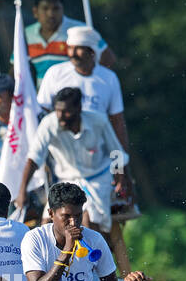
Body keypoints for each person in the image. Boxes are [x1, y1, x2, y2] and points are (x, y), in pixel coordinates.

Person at [18, 88, 126, 238]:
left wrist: (120, 179)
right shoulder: (49, 124)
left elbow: (116, 153)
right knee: (47, 225)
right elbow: (34, 159)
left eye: (66, 111)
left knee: (87, 220)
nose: (61, 116)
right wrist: (22, 191)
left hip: (97, 180)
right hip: (66, 182)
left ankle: (88, 258)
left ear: (79, 109)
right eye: (58, 111)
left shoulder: (98, 121)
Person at [25, 0, 114, 79]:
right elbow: (16, 70)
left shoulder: (81, 30)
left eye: (56, 8)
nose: (50, 14)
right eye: (45, 8)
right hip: (42, 93)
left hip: (76, 92)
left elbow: (108, 58)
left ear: (63, 9)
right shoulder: (26, 35)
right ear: (35, 12)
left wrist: (91, 81)